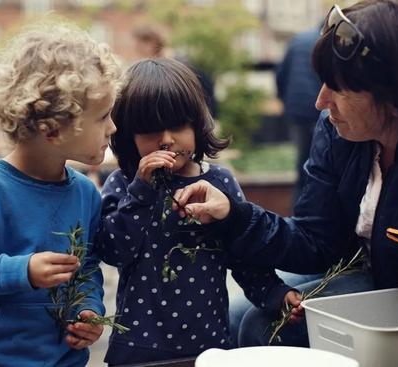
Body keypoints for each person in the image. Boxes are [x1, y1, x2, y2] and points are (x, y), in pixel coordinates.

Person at [172, 0, 398, 348]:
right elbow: (315, 240)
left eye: (337, 88)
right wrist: (234, 216)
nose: (320, 102)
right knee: (232, 313)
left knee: (264, 327)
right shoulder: (337, 130)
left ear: (395, 94)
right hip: (359, 265)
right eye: (321, 83)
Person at [0, 22, 122, 366]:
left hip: (63, 359)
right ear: (53, 129)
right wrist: (22, 271)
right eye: (103, 117)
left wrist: (89, 310)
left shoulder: (85, 194)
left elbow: (87, 266)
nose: (113, 128)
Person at [96, 58, 293, 365]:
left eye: (177, 125)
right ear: (127, 136)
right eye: (149, 130)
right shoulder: (123, 183)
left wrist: (275, 293)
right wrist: (142, 191)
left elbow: (242, 254)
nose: (166, 139)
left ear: (197, 125)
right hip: (139, 346)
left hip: (209, 343)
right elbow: (112, 250)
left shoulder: (218, 181)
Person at [275, 28, 322, 202]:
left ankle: (298, 210)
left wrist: (283, 99)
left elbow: (280, 73)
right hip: (319, 112)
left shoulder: (297, 40)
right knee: (321, 163)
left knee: (302, 163)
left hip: (296, 111)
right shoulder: (326, 42)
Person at [132, 24, 218, 118]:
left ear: (151, 42)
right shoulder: (161, 61)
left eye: (139, 44)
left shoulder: (172, 62)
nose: (137, 48)